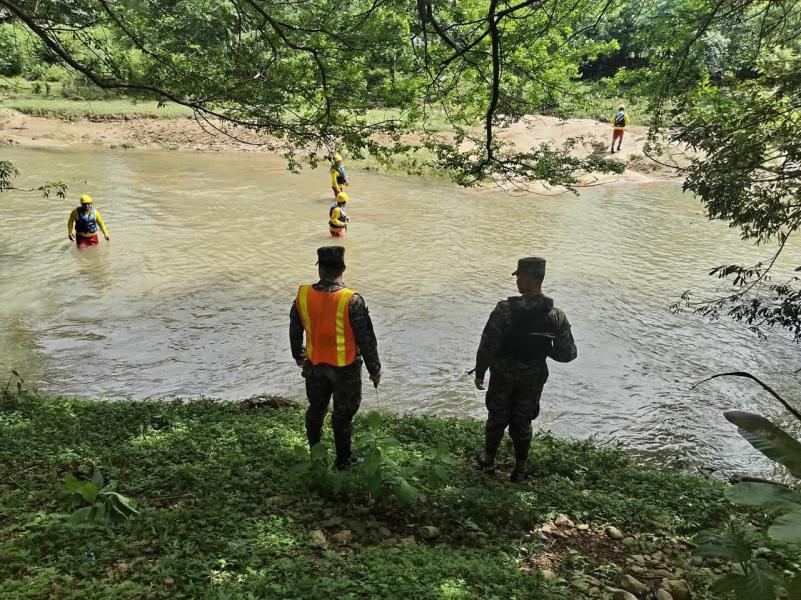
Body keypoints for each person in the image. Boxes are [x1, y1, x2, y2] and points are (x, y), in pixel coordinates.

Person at [473, 257, 577, 482]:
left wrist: (480, 372)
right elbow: (567, 354)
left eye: (519, 277)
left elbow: (488, 344)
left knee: (497, 417)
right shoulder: (555, 316)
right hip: (533, 378)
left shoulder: (504, 310)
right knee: (523, 421)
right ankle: (520, 469)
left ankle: (488, 461)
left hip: (502, 375)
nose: (517, 282)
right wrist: (544, 347)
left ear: (528, 280)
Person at [289, 246, 382, 469]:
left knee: (316, 410)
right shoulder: (352, 300)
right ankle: (343, 461)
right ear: (343, 268)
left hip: (314, 366)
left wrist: (298, 355)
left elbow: (295, 328)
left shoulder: (303, 295)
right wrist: (374, 369)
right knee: (342, 416)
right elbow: (366, 338)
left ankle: (316, 455)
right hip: (345, 369)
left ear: (320, 269)